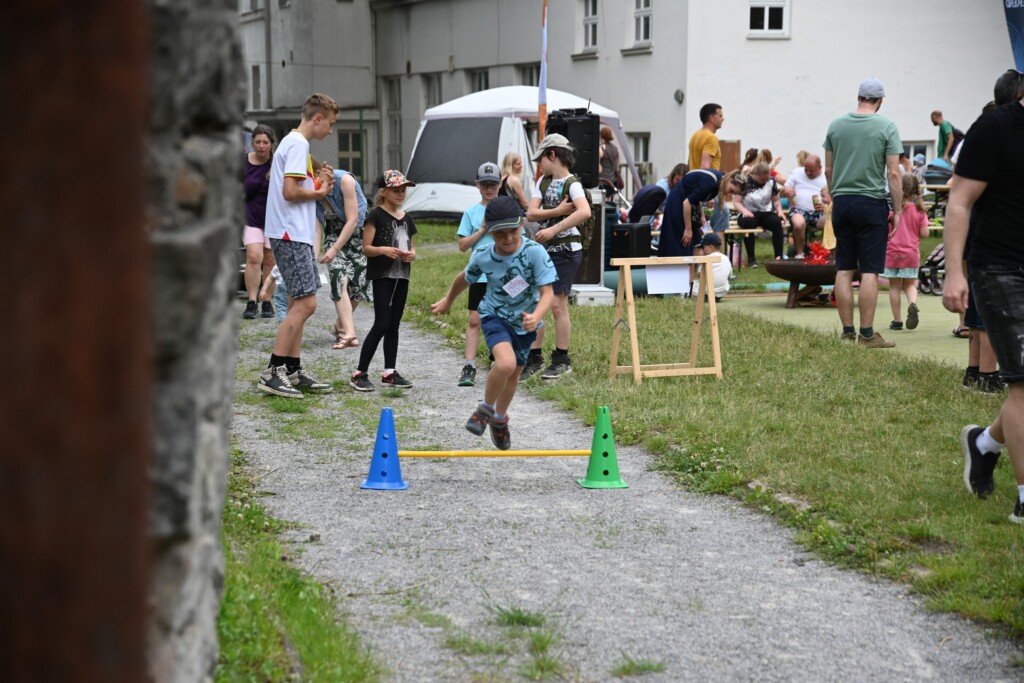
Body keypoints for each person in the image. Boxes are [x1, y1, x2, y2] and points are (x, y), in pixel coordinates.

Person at [943, 70, 1024, 523]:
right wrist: (955, 272)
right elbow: (959, 202)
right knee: (1023, 385)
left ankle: (985, 442)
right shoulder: (997, 126)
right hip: (1001, 268)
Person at [430, 196, 556, 450]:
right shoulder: (483, 255)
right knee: (505, 363)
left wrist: (537, 316)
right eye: (500, 234)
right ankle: (485, 409)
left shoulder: (534, 252)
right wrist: (448, 300)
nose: (507, 238)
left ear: (522, 225)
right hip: (494, 315)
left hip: (525, 323)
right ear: (489, 231)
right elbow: (464, 278)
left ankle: (500, 419)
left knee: (513, 376)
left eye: (512, 231)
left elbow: (548, 293)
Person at [257, 93, 338, 398]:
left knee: (296, 302)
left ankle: (292, 368)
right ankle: (273, 371)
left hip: (294, 233)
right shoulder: (298, 144)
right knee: (307, 303)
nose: (331, 129)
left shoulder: (295, 145)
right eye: (330, 123)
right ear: (317, 118)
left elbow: (295, 189)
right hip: (290, 233)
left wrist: (319, 184)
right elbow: (290, 192)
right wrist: (319, 193)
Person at [823, 77, 903, 348]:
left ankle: (847, 333)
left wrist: (835, 196)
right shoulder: (887, 127)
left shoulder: (836, 125)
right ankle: (866, 335)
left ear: (858, 97)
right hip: (871, 203)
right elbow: (893, 173)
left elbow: (828, 170)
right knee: (870, 270)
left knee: (844, 268)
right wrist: (898, 210)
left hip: (842, 202)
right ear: (880, 101)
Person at [522, 133, 592, 380]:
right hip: (544, 250)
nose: (539, 165)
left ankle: (562, 359)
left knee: (556, 304)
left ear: (552, 155)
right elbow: (531, 213)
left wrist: (553, 229)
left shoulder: (572, 184)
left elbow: (584, 211)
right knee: (537, 300)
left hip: (566, 250)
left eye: (541, 159)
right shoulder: (542, 181)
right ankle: (535, 357)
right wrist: (558, 211)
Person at [350, 171, 418, 392]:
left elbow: (412, 247)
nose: (400, 194)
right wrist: (383, 250)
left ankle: (389, 372)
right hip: (382, 276)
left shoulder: (407, 218)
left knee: (394, 325)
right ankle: (359, 373)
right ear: (383, 192)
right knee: (381, 323)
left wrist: (411, 255)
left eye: (403, 190)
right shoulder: (376, 215)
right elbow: (366, 248)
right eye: (395, 190)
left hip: (402, 276)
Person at [454, 161, 503, 387]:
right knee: (475, 320)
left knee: (501, 319)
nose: (489, 189)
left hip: (502, 274)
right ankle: (469, 366)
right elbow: (462, 245)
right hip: (479, 275)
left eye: (493, 184)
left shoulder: (506, 209)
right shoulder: (471, 213)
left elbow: (518, 238)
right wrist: (482, 229)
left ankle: (497, 361)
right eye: (485, 185)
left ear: (500, 184)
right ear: (477, 185)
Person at [317, 169, 370, 350]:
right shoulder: (311, 193)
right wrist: (315, 255)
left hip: (358, 234)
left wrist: (335, 249)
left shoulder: (345, 181)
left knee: (358, 285)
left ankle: (340, 325)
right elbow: (317, 229)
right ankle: (349, 333)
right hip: (333, 235)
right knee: (339, 277)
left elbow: (353, 219)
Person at [659, 168, 743, 258]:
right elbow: (687, 203)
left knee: (697, 242)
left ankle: (692, 267)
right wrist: (688, 229)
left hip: (689, 204)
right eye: (731, 190)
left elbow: (696, 198)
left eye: (733, 193)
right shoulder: (711, 183)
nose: (730, 194)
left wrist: (702, 216)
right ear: (729, 180)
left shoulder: (718, 183)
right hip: (678, 202)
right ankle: (679, 266)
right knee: (684, 240)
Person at [884, 174, 929, 331]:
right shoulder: (920, 211)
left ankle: (897, 321)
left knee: (894, 287)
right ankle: (913, 304)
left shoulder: (892, 212)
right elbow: (925, 234)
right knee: (909, 284)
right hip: (910, 253)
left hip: (892, 252)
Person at [242, 124, 277, 319]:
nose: (261, 146)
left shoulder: (277, 163)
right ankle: (251, 300)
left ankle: (267, 300)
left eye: (265, 142)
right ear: (252, 143)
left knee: (270, 259)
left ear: (271, 144)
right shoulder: (244, 162)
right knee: (254, 257)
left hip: (273, 219)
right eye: (258, 142)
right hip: (251, 217)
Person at [687, 103, 730, 235]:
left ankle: (707, 246)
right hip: (709, 186)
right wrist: (709, 194)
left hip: (695, 185)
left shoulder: (695, 136)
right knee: (723, 214)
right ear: (711, 118)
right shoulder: (711, 138)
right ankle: (717, 247)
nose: (723, 118)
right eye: (720, 115)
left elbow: (690, 163)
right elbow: (705, 167)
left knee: (700, 225)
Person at [734, 162, 787, 266]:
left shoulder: (771, 181)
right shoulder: (744, 181)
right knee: (748, 223)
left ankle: (779, 256)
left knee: (776, 222)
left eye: (766, 179)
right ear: (754, 174)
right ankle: (751, 258)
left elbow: (776, 201)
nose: (764, 181)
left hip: (765, 212)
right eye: (762, 179)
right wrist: (744, 210)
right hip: (749, 212)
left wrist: (780, 211)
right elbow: (737, 202)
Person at [783, 153, 831, 258]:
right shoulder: (797, 172)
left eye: (811, 171)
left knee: (833, 223)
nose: (808, 173)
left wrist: (825, 206)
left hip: (819, 211)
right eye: (806, 170)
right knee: (799, 224)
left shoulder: (827, 177)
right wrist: (788, 190)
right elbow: (786, 187)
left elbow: (832, 198)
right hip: (799, 210)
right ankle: (799, 254)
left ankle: (831, 254)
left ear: (820, 167)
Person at [696, 232, 732, 302]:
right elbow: (729, 276)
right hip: (722, 292)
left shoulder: (707, 258)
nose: (702, 250)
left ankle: (705, 297)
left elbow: (699, 274)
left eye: (703, 248)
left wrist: (700, 260)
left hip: (707, 292)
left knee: (691, 286)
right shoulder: (726, 258)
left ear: (711, 247)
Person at [598, 126, 621, 198]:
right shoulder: (615, 148)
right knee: (610, 201)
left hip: (603, 181)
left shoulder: (601, 148)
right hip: (613, 181)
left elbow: (598, 167)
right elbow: (617, 166)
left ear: (601, 135)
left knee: (603, 202)